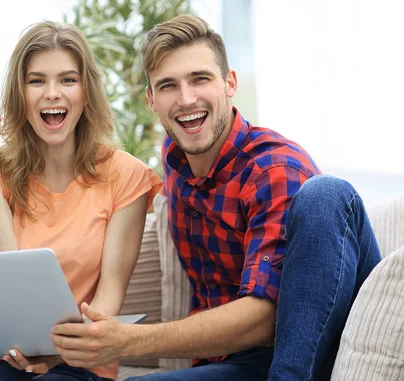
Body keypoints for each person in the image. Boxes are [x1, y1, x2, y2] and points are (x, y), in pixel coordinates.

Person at [49, 14, 382, 381]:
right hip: (233, 364)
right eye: (168, 86)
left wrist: (127, 340)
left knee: (327, 193)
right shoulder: (177, 157)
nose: (186, 99)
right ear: (152, 100)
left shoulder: (273, 170)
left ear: (230, 82)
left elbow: (264, 319)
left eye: (200, 79)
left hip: (303, 349)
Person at [0, 21, 162, 381]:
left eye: (68, 79)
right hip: (3, 354)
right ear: (20, 93)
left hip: (81, 360)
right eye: (37, 81)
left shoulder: (126, 176)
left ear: (86, 91)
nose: (53, 93)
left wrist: (51, 357)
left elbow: (109, 299)